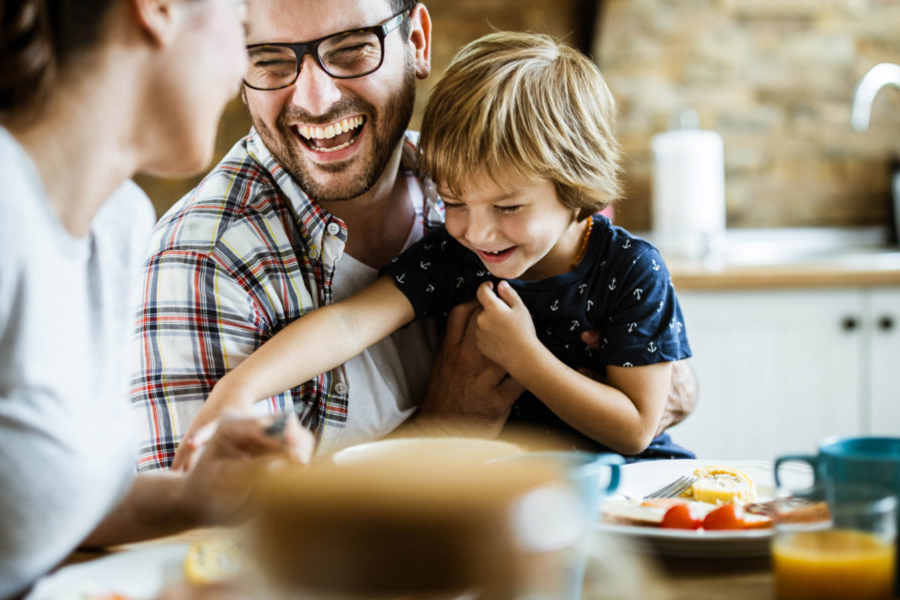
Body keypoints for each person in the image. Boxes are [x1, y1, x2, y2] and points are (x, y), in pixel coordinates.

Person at [134, 0, 698, 470]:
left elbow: (645, 415)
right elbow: (219, 539)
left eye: (351, 47)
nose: (477, 228)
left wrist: (545, 362)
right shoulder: (206, 260)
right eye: (271, 59)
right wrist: (234, 395)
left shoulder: (468, 174)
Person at [0, 0, 313, 597]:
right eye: (242, 28)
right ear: (159, 8)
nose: (242, 72)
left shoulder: (116, 223)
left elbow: (34, 502)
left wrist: (194, 495)